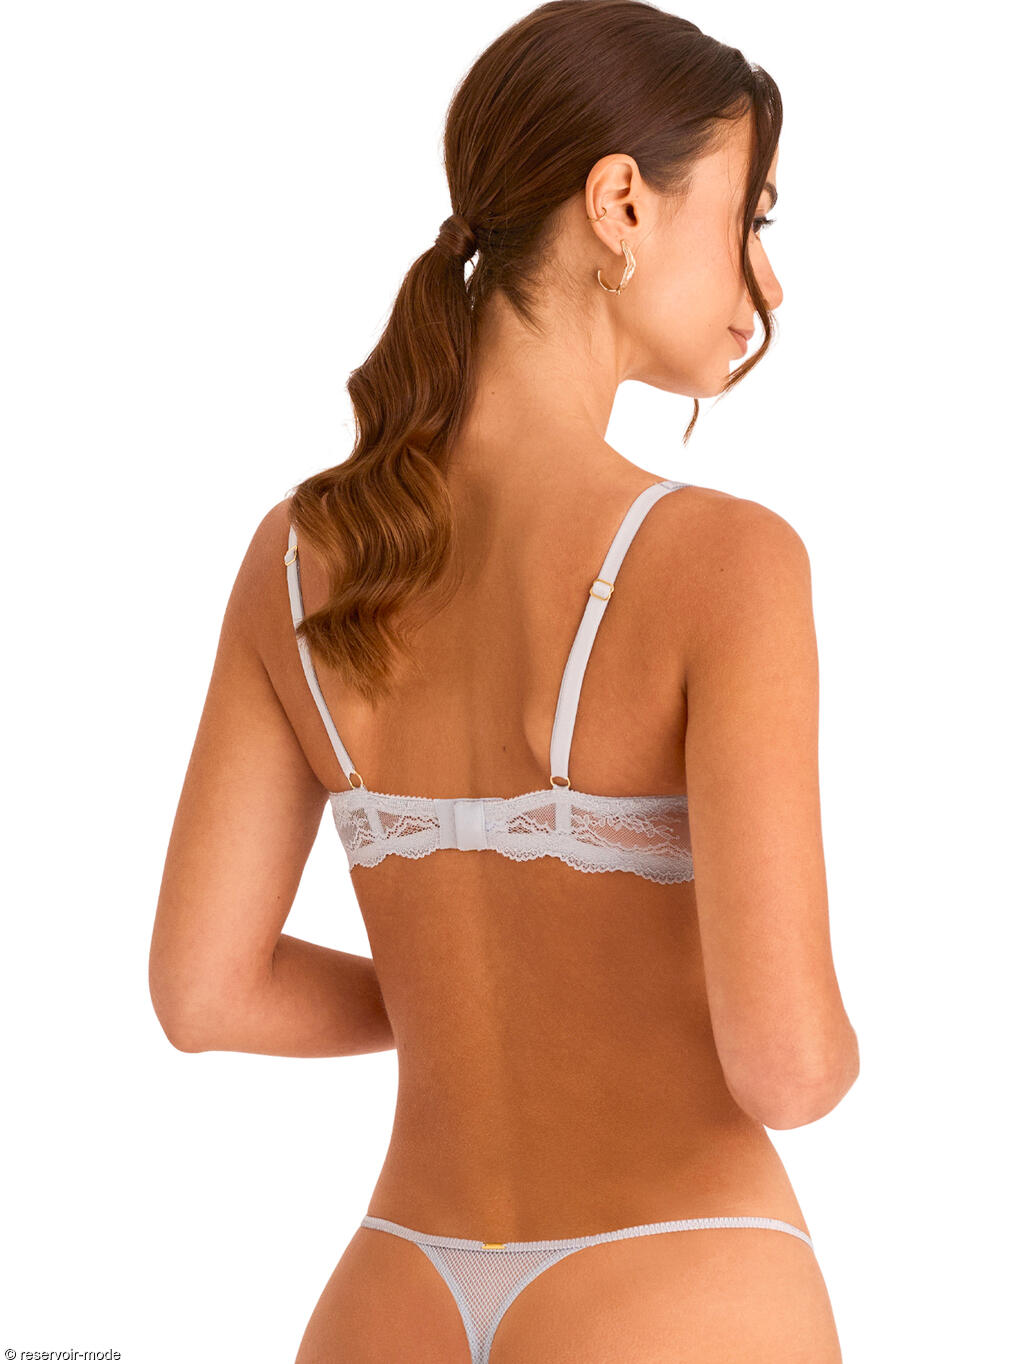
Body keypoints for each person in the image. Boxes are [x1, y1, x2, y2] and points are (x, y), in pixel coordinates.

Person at [149, 2, 859, 1359]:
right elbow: (786, 1065)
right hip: (677, 1284)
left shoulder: (298, 559)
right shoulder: (726, 562)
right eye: (752, 220)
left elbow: (205, 992)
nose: (768, 282)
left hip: (391, 1295)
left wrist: (457, 993)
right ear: (621, 204)